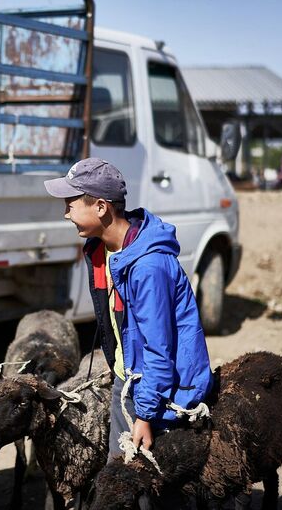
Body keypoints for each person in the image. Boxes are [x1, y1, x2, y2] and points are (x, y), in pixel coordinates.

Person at [44, 157, 213, 457]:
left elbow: (159, 349)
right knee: (118, 477)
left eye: (71, 203)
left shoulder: (148, 266)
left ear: (100, 207)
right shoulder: (103, 251)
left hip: (163, 395)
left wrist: (145, 415)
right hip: (128, 380)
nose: (65, 212)